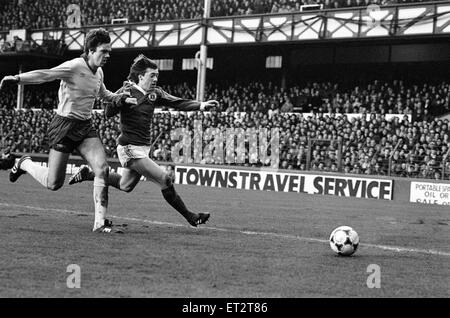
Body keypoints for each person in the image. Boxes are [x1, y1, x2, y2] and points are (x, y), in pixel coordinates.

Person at [0, 28, 137, 233]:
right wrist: (17, 78)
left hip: (85, 127)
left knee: (102, 169)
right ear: (90, 50)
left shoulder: (98, 72)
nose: (108, 55)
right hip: (64, 126)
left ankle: (99, 223)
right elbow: (46, 75)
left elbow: (104, 95)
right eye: (104, 51)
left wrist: (121, 97)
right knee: (54, 183)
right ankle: (24, 163)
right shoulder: (74, 66)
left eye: (109, 51)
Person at [69, 54, 219, 227]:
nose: (155, 79)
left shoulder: (155, 93)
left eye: (157, 76)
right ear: (141, 77)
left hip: (142, 148)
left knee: (125, 186)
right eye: (152, 76)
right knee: (165, 179)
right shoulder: (127, 91)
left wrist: (201, 105)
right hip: (129, 148)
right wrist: (120, 101)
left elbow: (177, 102)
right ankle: (191, 217)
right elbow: (108, 112)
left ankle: (88, 174)